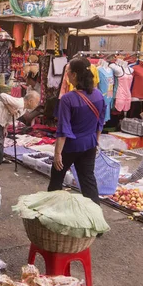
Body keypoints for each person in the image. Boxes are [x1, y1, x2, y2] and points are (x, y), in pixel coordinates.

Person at [48, 57, 105, 205]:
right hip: (90, 144)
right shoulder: (98, 95)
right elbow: (100, 123)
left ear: (74, 75)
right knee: (88, 182)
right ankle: (96, 220)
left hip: (70, 146)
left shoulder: (67, 99)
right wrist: (95, 141)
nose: (66, 75)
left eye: (68, 72)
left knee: (56, 180)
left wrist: (57, 153)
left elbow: (63, 129)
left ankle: (52, 215)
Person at [0, 91, 40, 168]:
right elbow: (2, 95)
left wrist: (5, 128)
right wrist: (10, 108)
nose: (37, 105)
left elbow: (12, 118)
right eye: (36, 102)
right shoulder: (19, 103)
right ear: (30, 101)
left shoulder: (24, 109)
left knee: (0, 136)